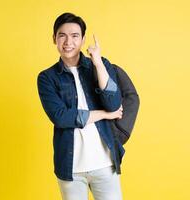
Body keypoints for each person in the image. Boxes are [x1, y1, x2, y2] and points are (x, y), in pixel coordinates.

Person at [37, 12, 125, 200]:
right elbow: (61, 117)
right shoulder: (47, 78)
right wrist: (103, 114)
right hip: (71, 168)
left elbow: (114, 103)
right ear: (54, 39)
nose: (68, 42)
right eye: (62, 35)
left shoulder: (100, 65)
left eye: (75, 36)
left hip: (105, 163)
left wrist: (98, 63)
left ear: (83, 39)